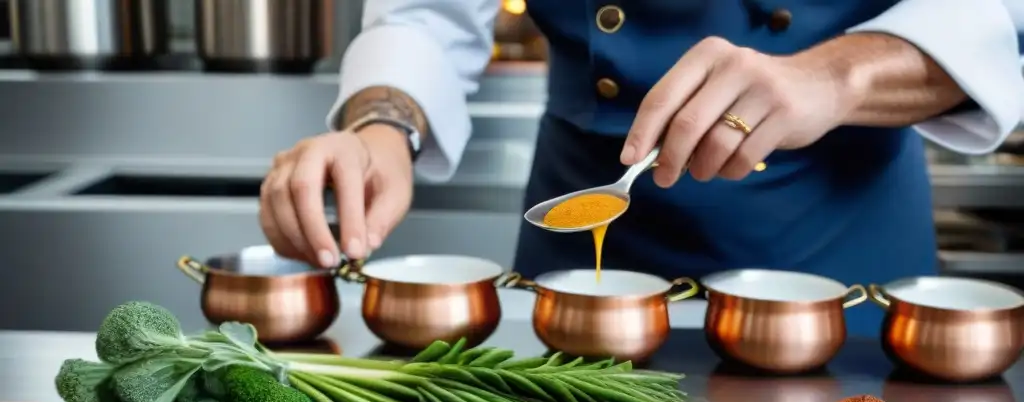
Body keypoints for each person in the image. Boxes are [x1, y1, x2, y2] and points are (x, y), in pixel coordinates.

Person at [259, 1, 1024, 335]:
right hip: (582, 252)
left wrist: (837, 76)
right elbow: (426, 13)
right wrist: (383, 124)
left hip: (838, 259)